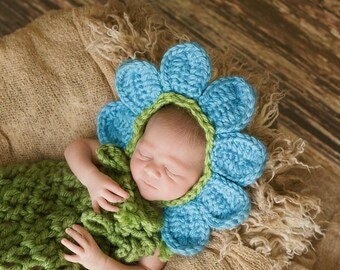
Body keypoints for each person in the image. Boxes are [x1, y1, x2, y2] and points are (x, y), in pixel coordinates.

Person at [61, 104, 207, 270]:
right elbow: (76, 148)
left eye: (171, 170)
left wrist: (100, 263)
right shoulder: (117, 160)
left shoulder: (166, 229)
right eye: (144, 154)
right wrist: (91, 177)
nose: (151, 170)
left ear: (199, 182)